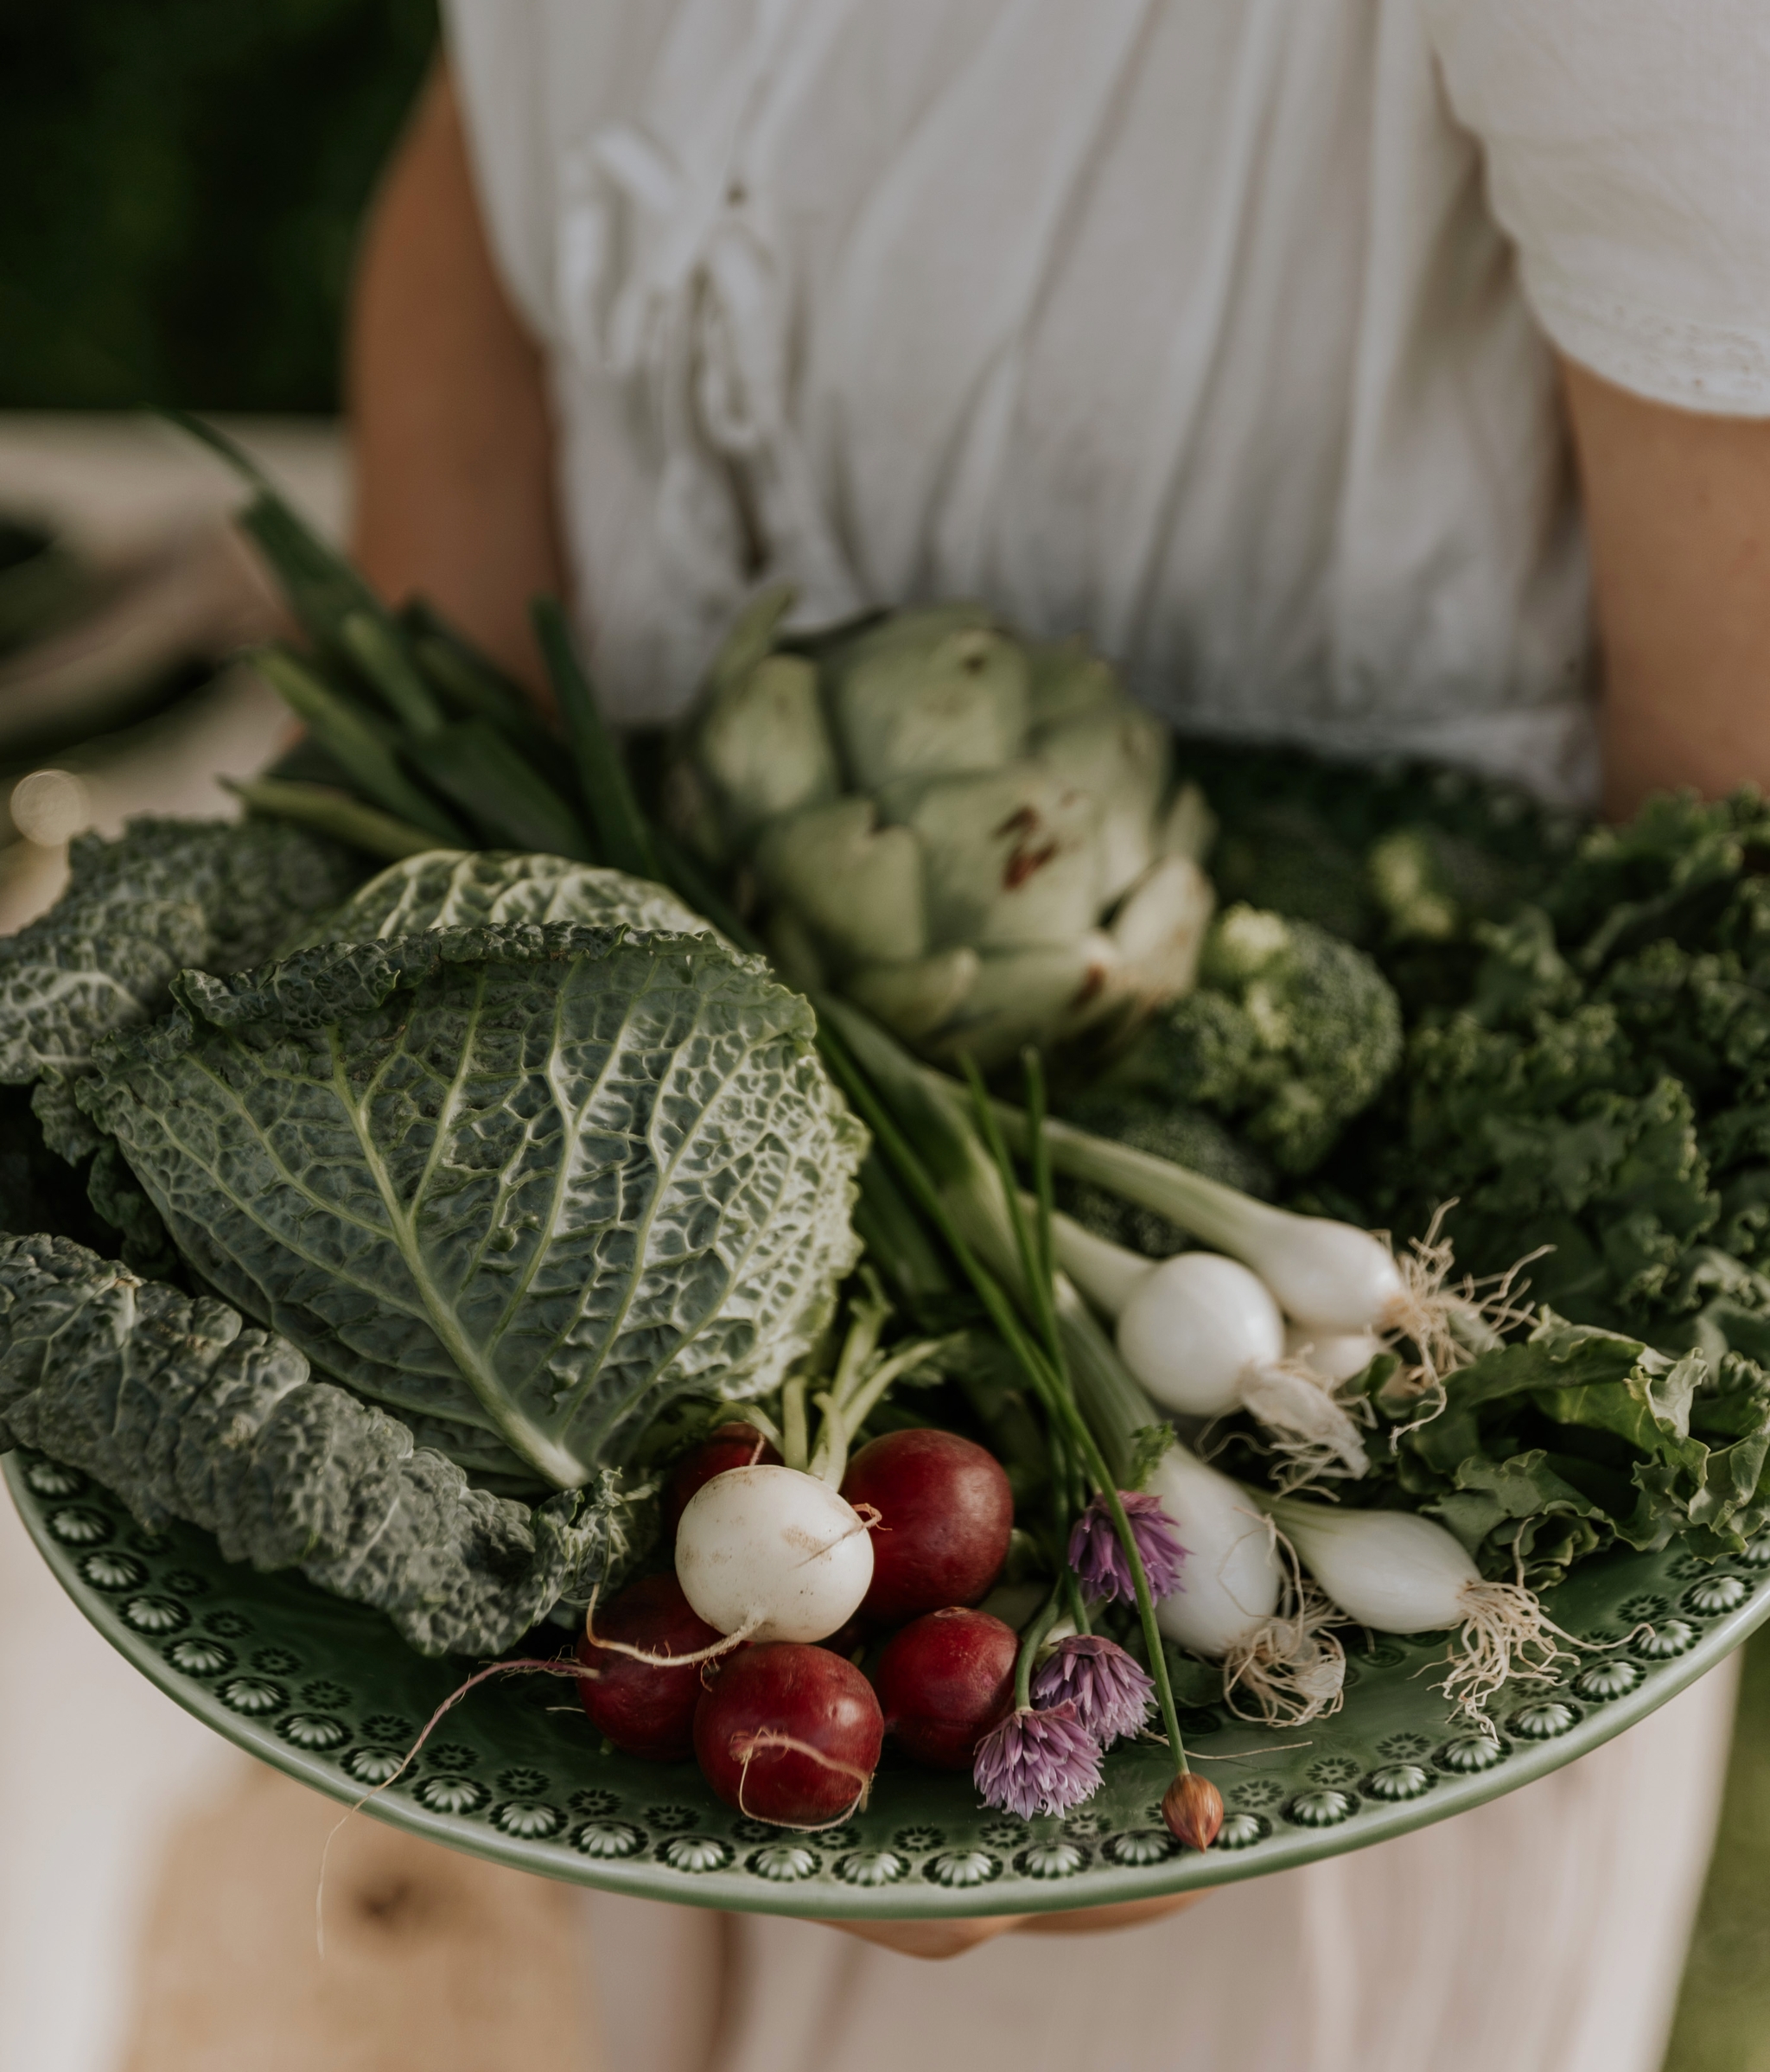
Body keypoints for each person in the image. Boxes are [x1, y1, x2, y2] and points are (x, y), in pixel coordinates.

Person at [140, 6, 1770, 2068]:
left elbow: (1726, 877)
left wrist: (1324, 1654)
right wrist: (404, 899)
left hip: (1294, 1630)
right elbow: (506, 138)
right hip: (670, 1383)